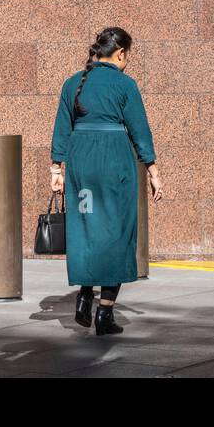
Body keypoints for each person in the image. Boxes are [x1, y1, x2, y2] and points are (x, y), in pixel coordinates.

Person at [51, 27, 163, 335]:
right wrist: (153, 170)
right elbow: (140, 129)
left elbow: (62, 128)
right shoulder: (125, 84)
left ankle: (85, 294)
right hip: (115, 161)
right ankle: (105, 313)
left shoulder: (73, 83)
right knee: (117, 231)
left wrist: (56, 171)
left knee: (85, 227)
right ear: (121, 53)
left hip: (80, 160)